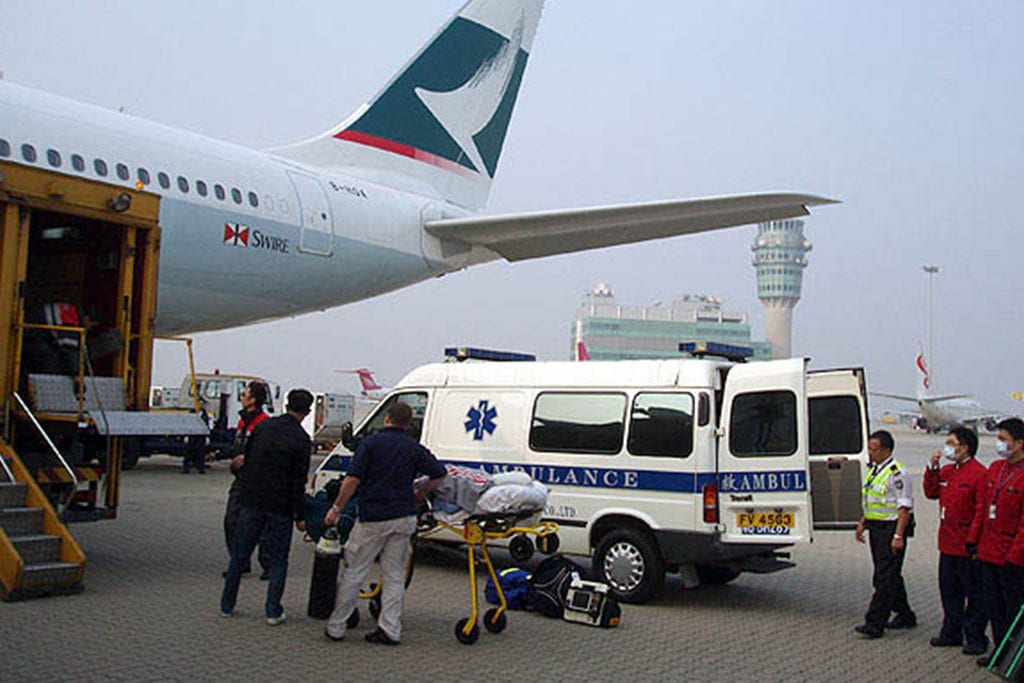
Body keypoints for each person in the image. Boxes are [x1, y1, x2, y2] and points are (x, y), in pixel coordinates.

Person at [323, 401, 447, 645]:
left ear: (387, 418)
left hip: (373, 517)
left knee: (355, 571)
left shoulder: (370, 444)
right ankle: (390, 629)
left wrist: (336, 509)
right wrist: (420, 493)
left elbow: (352, 480)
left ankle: (336, 626)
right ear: (408, 423)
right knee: (394, 576)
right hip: (404, 517)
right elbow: (439, 474)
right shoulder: (413, 447)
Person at [219, 388, 313, 624]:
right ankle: (272, 610)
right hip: (281, 506)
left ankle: (227, 604)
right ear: (307, 411)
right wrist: (300, 515)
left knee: (240, 554)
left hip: (253, 500)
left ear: (286, 405)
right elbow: (298, 481)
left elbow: (248, 460)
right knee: (278, 559)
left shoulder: (264, 427)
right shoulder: (302, 440)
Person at [922, 425, 988, 654]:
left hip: (966, 544)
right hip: (947, 542)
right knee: (949, 591)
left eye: (951, 443)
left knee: (974, 594)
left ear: (965, 447)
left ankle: (975, 637)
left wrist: (973, 540)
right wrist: (932, 469)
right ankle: (951, 632)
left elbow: (980, 510)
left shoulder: (979, 474)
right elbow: (931, 492)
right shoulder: (948, 471)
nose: (947, 447)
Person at [968, 417, 1024, 666]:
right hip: (988, 551)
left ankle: (1015, 659)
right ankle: (1000, 652)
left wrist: (1015, 556)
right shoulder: (996, 468)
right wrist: (974, 540)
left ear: (1019, 443)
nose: (999, 443)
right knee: (995, 609)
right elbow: (982, 508)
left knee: (1013, 611)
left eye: (1003, 439)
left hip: (1012, 557)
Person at [854, 429, 917, 639]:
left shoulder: (897, 473)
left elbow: (904, 507)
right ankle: (905, 615)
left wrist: (898, 536)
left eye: (874, 449)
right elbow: (872, 500)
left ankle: (874, 623)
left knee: (883, 578)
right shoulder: (875, 471)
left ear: (887, 450)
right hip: (876, 527)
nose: (870, 453)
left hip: (891, 528)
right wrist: (863, 522)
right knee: (889, 574)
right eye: (869, 449)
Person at [222, 381, 271, 578]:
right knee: (231, 521)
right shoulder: (243, 422)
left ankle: (268, 565)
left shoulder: (264, 424)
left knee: (262, 525)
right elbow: (237, 447)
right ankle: (239, 562)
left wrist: (247, 459)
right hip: (241, 480)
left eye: (244, 395)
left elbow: (266, 453)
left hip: (258, 482)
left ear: (253, 400)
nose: (241, 398)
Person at [182, 397, 211, 475]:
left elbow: (207, 425)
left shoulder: (205, 414)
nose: (200, 405)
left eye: (202, 404)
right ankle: (186, 468)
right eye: (199, 403)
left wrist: (207, 436)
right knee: (188, 453)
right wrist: (186, 435)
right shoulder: (192, 413)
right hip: (192, 435)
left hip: (201, 436)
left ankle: (201, 468)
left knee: (200, 453)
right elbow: (187, 424)